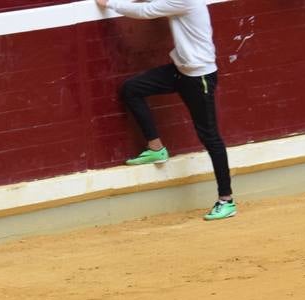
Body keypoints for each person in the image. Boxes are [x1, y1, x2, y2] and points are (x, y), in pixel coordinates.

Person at [95, 0, 236, 221]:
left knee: (210, 136)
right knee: (132, 89)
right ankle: (156, 148)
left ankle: (226, 200)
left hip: (199, 77)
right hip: (181, 71)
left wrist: (110, 3)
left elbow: (146, 11)